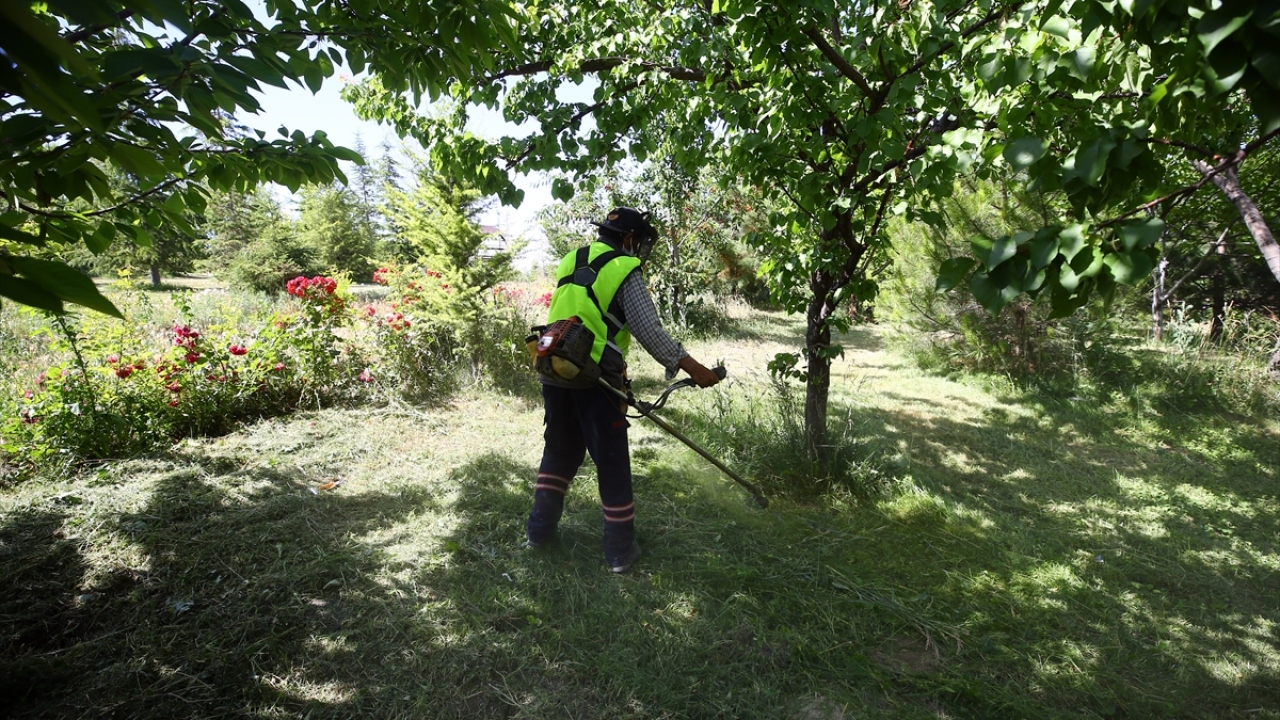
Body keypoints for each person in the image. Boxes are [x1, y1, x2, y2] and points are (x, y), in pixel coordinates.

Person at [527, 207, 721, 573]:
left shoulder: (572, 259)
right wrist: (694, 368)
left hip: (554, 366)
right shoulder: (623, 267)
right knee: (612, 462)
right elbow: (649, 330)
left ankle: (538, 534)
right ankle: (619, 551)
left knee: (560, 451)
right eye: (639, 242)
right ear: (629, 239)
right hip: (595, 376)